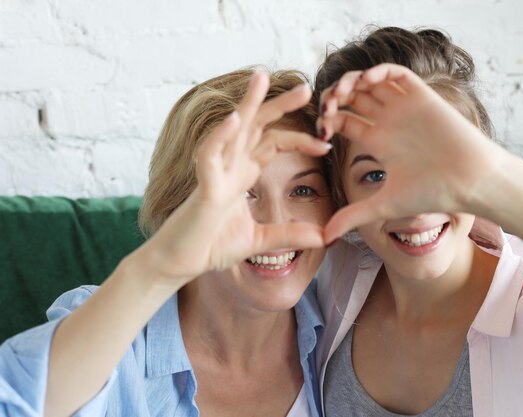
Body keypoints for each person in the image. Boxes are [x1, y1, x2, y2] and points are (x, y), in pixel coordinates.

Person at [313, 26, 523, 417]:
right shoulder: (329, 279)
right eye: (375, 175)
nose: (414, 202)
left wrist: (507, 185)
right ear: (342, 191)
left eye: (437, 164)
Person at [0, 68, 333, 417]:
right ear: (178, 210)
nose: (276, 221)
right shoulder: (114, 336)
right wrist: (160, 265)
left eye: (303, 190)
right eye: (242, 191)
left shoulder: (344, 323)